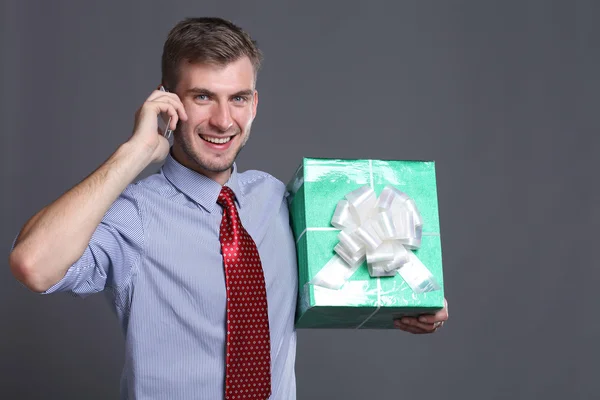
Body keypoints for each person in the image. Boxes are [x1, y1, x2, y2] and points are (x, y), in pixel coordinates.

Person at [8, 17, 448, 400]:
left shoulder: (281, 200)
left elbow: (352, 266)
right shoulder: (135, 215)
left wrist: (415, 299)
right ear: (168, 102)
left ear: (254, 105)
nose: (223, 120)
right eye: (202, 97)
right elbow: (33, 264)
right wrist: (135, 153)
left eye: (237, 98)